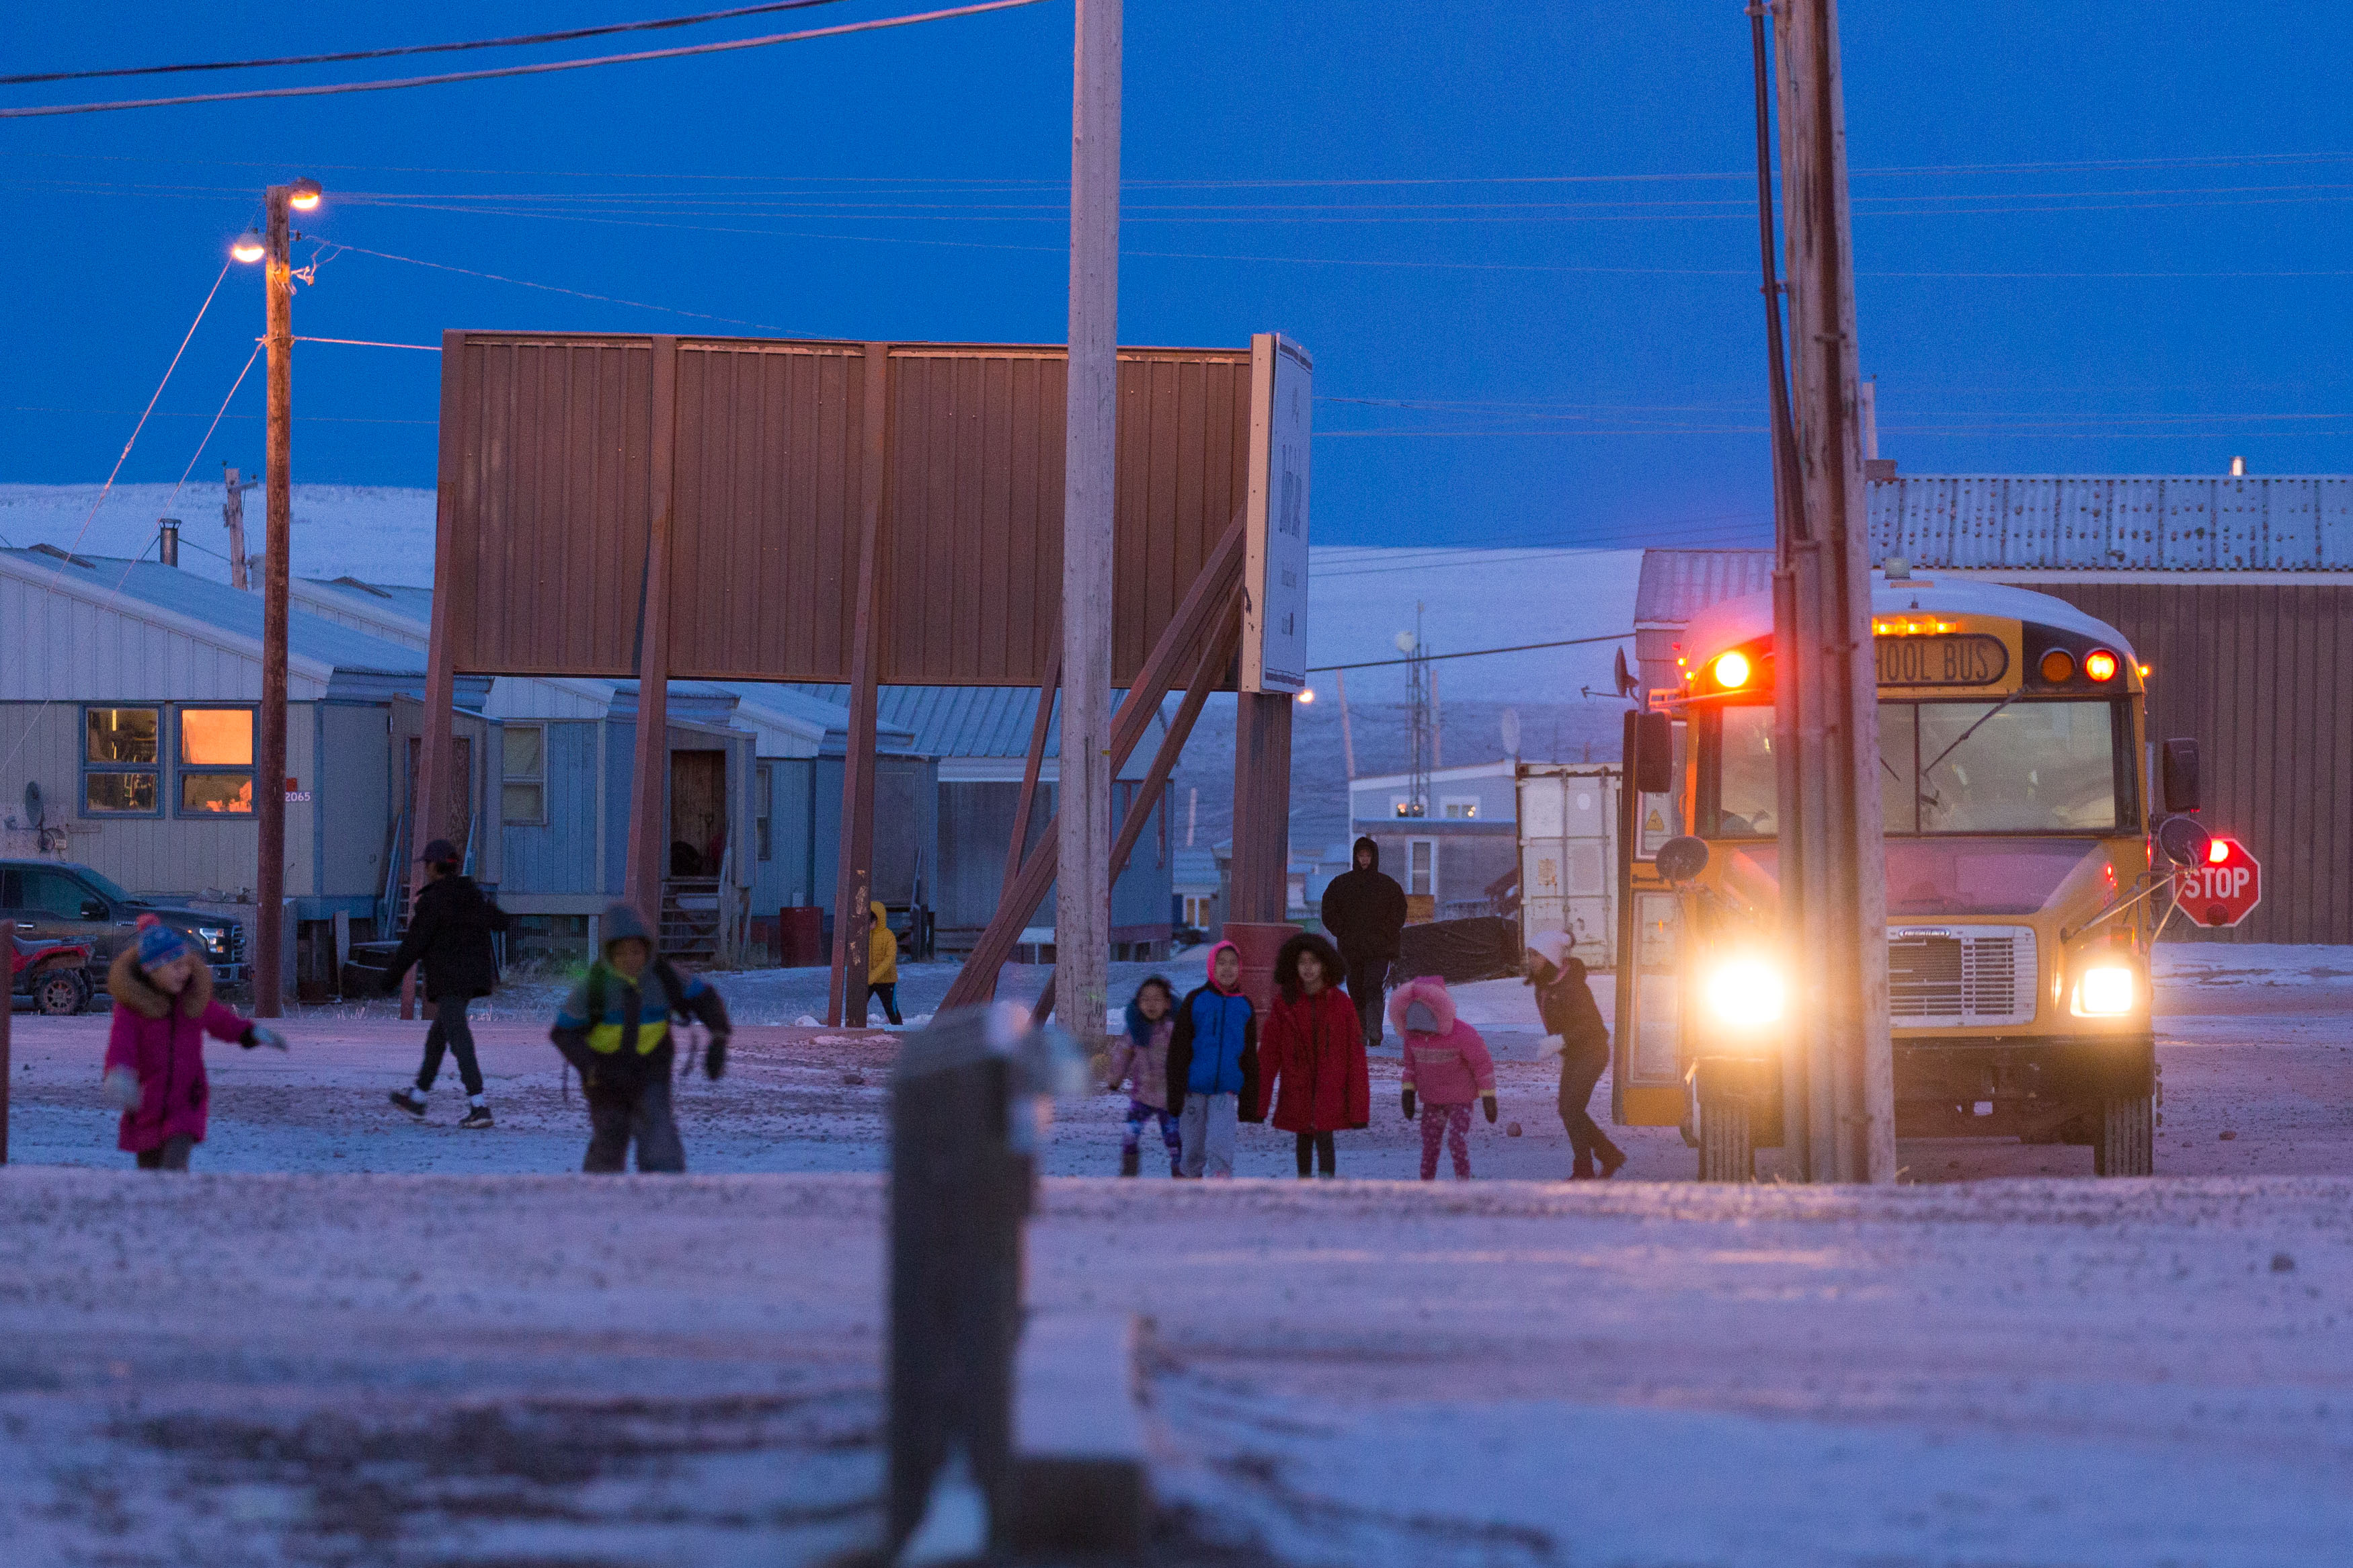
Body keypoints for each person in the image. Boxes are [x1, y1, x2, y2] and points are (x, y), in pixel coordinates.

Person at [549, 902, 732, 1173]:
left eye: (636, 951)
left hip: (651, 1074)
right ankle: (597, 1202)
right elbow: (563, 1032)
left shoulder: (665, 976)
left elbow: (704, 998)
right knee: (609, 1144)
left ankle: (664, 1201)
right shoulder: (594, 987)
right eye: (621, 953)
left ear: (648, 948)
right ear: (608, 953)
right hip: (605, 1081)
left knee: (660, 1142)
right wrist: (590, 1067)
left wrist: (719, 1037)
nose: (630, 959)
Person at [99, 915, 286, 1171]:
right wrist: (120, 1073)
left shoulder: (192, 1001)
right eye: (175, 966)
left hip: (186, 1099)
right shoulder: (133, 1009)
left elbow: (223, 1023)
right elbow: (122, 1044)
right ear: (152, 969)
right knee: (149, 1171)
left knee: (175, 1162)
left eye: (186, 965)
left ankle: (177, 1200)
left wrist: (250, 1033)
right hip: (147, 1102)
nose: (184, 972)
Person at [380, 837, 510, 1128]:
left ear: (435, 866)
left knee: (459, 1039)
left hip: (449, 979)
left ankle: (479, 1106)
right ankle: (418, 1098)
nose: (425, 869)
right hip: (470, 978)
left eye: (427, 864)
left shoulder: (434, 901)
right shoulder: (470, 895)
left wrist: (388, 979)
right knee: (438, 1039)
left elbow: (412, 945)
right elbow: (500, 921)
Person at [1259, 931, 1369, 1178]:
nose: (1308, 969)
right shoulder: (1284, 1004)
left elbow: (1355, 1058)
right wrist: (1257, 1104)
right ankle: (1304, 1183)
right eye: (1302, 963)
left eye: (1314, 962)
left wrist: (1359, 1109)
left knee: (1325, 1136)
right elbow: (1269, 1054)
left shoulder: (1342, 1004)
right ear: (1293, 966)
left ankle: (1327, 1185)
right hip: (1298, 1086)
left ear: (1325, 964)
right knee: (1303, 1137)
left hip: (1330, 1088)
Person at [1527, 929, 1625, 1180]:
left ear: (1550, 957)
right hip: (1574, 1053)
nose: (1531, 960)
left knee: (1571, 1109)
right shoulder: (1544, 986)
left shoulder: (1574, 988)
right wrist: (1559, 1043)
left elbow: (1594, 1026)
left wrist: (1560, 1040)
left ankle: (1584, 1169)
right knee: (1569, 1110)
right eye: (1530, 955)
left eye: (1536, 955)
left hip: (1592, 1051)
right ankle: (1608, 1155)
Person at [1165, 940, 1259, 1179]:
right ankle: (1188, 1183)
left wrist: (1250, 1101)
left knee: (1221, 1143)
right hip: (1192, 1090)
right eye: (1221, 963)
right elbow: (1178, 1049)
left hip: (1225, 1093)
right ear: (1211, 966)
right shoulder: (1196, 1000)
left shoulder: (1244, 1006)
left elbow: (1249, 1056)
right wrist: (1175, 1093)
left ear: (1240, 968)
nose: (1227, 968)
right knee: (1192, 1148)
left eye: (1233, 963)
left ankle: (1220, 1182)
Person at [1391, 975, 1496, 1181]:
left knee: (1456, 1140)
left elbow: (1481, 1063)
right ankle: (1426, 1184)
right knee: (1430, 1143)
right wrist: (1408, 1091)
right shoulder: (1412, 1038)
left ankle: (1463, 1181)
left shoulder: (1462, 1033)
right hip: (1432, 1101)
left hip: (1460, 1099)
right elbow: (1410, 1068)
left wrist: (1488, 1096)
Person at [1319, 835, 1407, 1052]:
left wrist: (1386, 933)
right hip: (1353, 949)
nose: (1364, 860)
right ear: (1355, 857)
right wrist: (1342, 932)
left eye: (1368, 856)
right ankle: (1361, 1031)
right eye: (1361, 856)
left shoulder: (1387, 887)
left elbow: (1399, 912)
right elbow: (1329, 910)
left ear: (1373, 857)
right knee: (1356, 988)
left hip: (1378, 949)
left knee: (1373, 985)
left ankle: (1374, 1032)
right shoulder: (1342, 885)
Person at [1104, 975, 1181, 1177]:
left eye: (1157, 1000)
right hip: (1141, 1097)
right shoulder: (1136, 1031)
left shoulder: (1173, 1030)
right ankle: (1129, 1174)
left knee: (1174, 1141)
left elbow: (1189, 1054)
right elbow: (1122, 1054)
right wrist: (1114, 1079)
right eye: (1146, 1000)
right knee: (1130, 1135)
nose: (1151, 1005)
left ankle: (1180, 1173)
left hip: (1170, 1099)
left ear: (1167, 1004)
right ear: (1138, 1004)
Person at [867, 900, 903, 1025]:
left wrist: (873, 975)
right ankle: (854, 1029)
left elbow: (889, 960)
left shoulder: (888, 936)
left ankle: (899, 1031)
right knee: (857, 1006)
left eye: (871, 921)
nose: (869, 924)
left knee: (891, 1009)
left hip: (887, 981)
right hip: (868, 979)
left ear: (879, 919)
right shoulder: (864, 935)